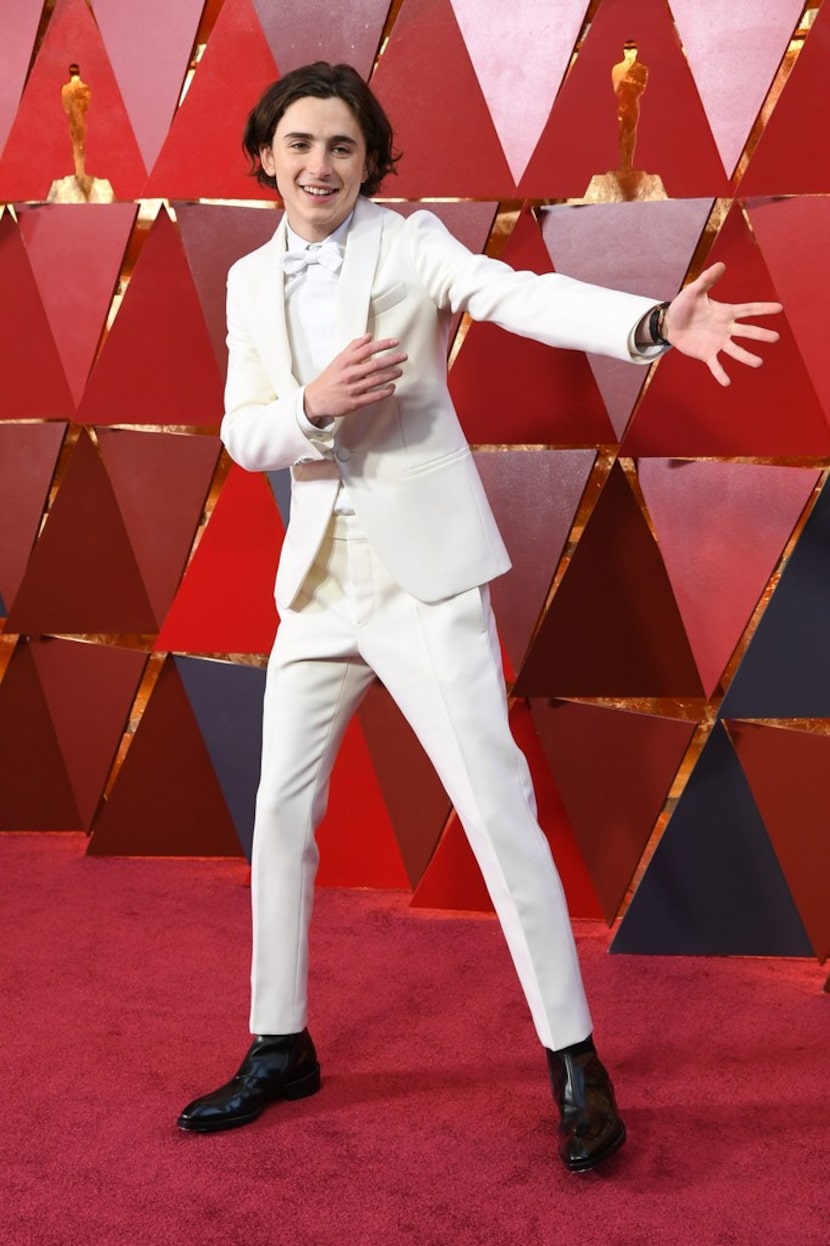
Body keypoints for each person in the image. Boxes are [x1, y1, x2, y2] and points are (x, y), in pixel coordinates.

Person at [177, 62, 782, 1171]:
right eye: (302, 144)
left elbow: (519, 294)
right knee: (277, 812)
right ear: (267, 154)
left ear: (370, 163)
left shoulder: (408, 244)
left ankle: (572, 1057)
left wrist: (650, 321)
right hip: (317, 584)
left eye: (344, 149)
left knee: (495, 810)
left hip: (425, 576)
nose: (321, 165)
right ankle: (279, 1041)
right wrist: (308, 408)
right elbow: (242, 433)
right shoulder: (249, 280)